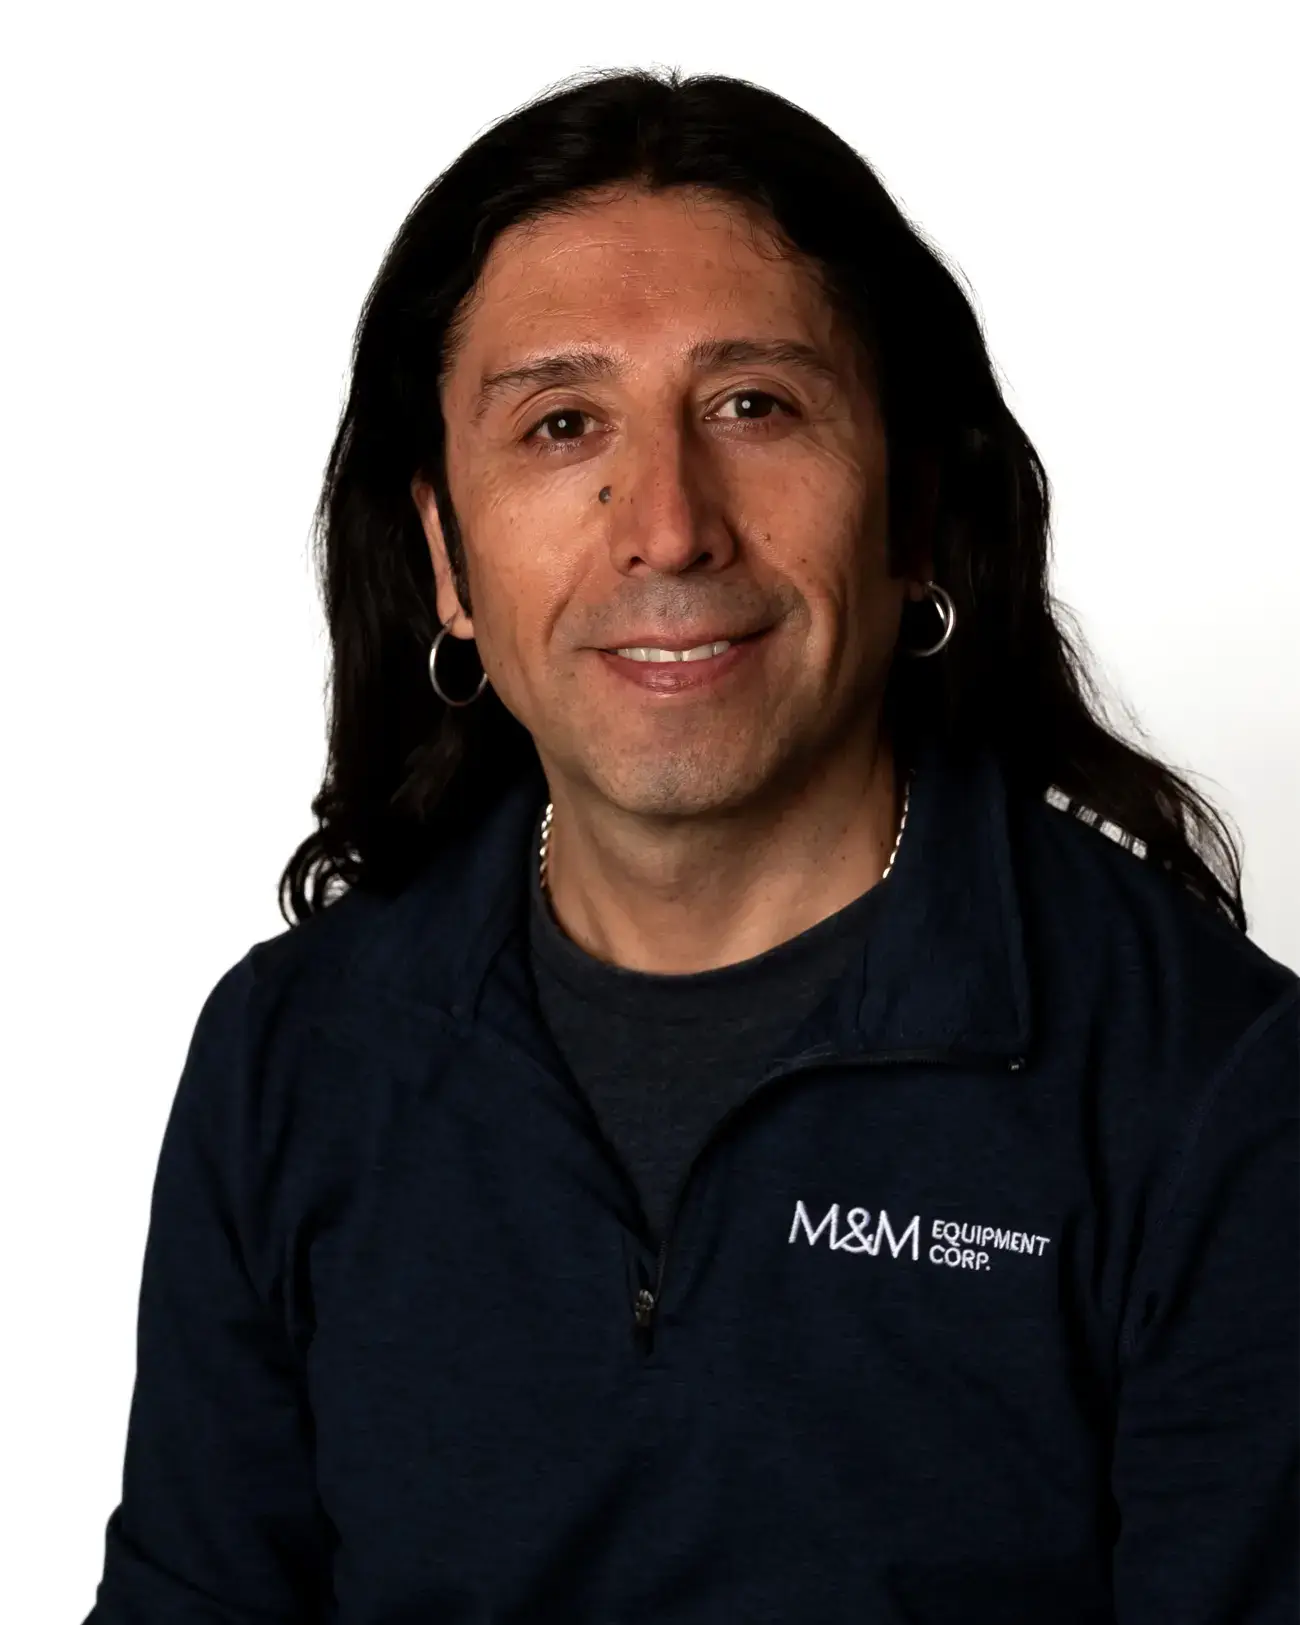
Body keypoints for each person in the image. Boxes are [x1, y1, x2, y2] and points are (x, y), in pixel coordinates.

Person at [82, 65, 1298, 1625]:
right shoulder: (292, 1057)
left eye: (754, 407)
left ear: (912, 508)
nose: (668, 524)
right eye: (562, 423)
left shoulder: (1214, 1089)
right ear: (447, 555)